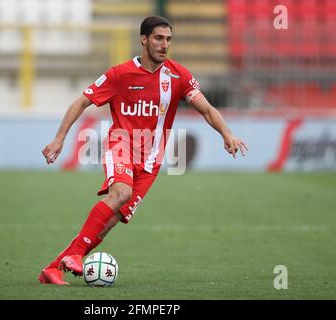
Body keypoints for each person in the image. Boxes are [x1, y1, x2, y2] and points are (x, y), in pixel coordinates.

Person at [39, 16, 248, 285]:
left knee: (112, 219)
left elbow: (207, 109)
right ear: (144, 39)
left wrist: (226, 133)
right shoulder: (119, 74)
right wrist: (59, 139)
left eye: (169, 39)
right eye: (159, 38)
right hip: (122, 145)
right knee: (121, 193)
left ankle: (54, 268)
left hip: (151, 162)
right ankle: (76, 255)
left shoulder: (178, 76)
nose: (164, 45)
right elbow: (82, 101)